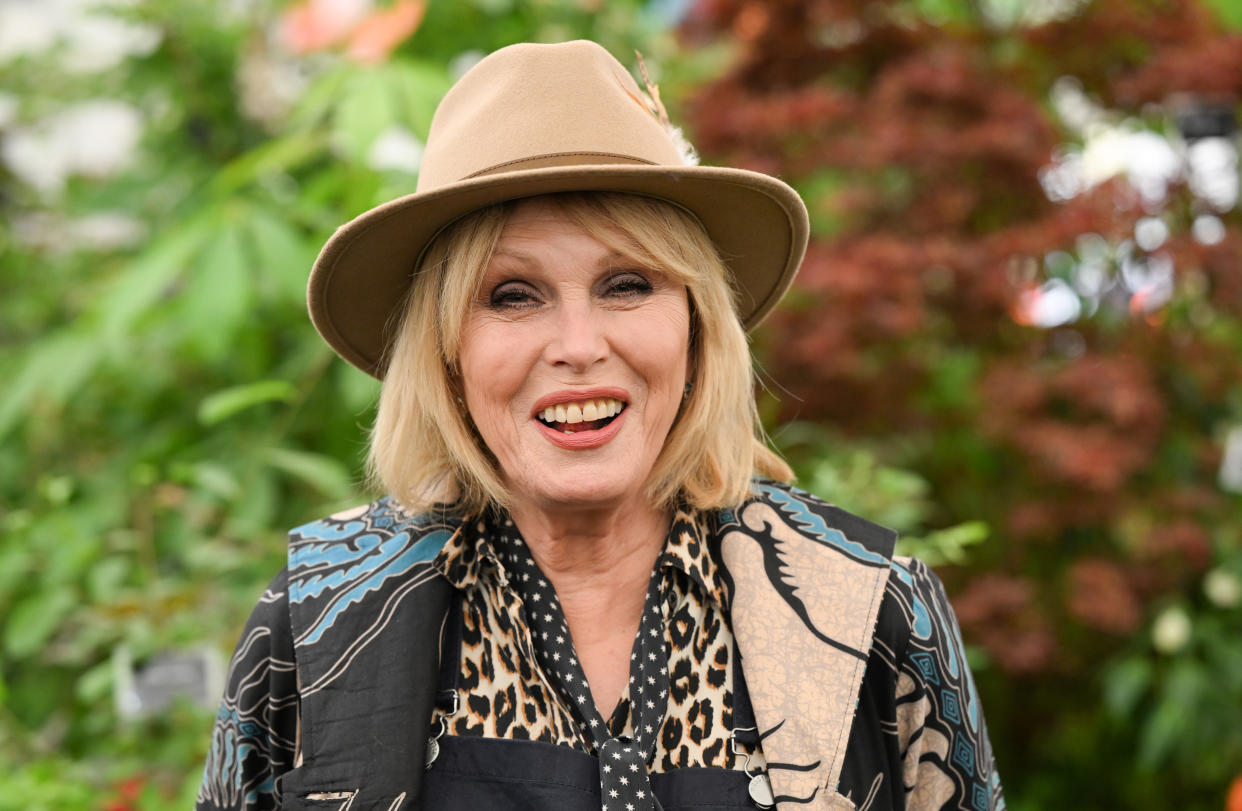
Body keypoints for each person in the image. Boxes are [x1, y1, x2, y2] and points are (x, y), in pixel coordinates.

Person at [196, 40, 1004, 811]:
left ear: (696, 330)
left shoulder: (870, 606)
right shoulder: (319, 621)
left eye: (627, 284)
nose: (580, 347)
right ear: (446, 354)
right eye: (512, 295)